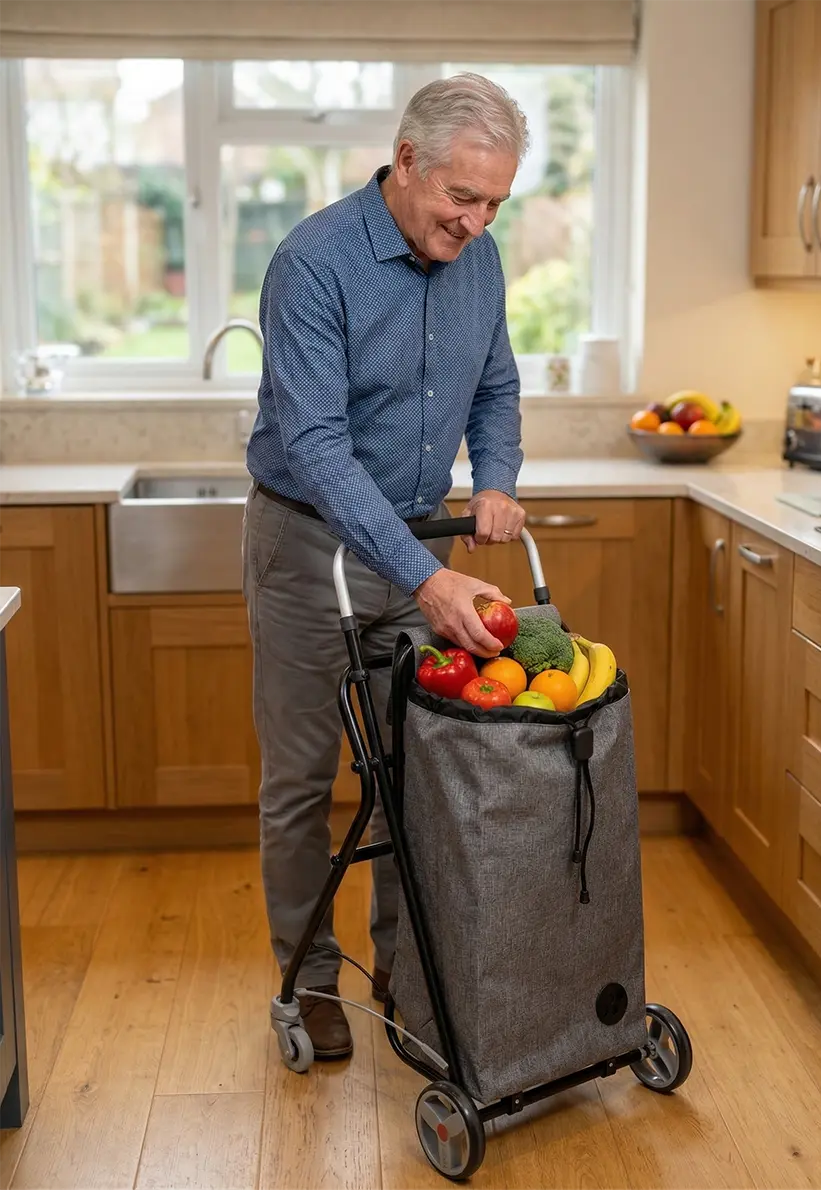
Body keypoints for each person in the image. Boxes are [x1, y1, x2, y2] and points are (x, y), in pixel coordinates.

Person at [241, 71, 529, 1062]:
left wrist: (493, 476)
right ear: (405, 161)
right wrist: (426, 576)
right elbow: (316, 446)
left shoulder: (478, 260)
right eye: (461, 197)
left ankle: (409, 979)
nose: (476, 222)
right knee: (301, 784)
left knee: (423, 778)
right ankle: (307, 985)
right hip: (305, 546)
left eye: (494, 202)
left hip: (418, 550)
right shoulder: (311, 263)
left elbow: (496, 381)